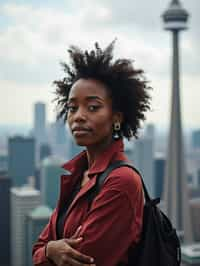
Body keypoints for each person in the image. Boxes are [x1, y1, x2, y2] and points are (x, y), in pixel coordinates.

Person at [32, 40, 151, 266]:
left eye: (93, 107)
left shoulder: (121, 181)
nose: (78, 116)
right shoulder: (78, 174)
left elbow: (83, 259)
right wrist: (49, 250)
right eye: (72, 107)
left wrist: (48, 251)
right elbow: (38, 248)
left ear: (116, 117)